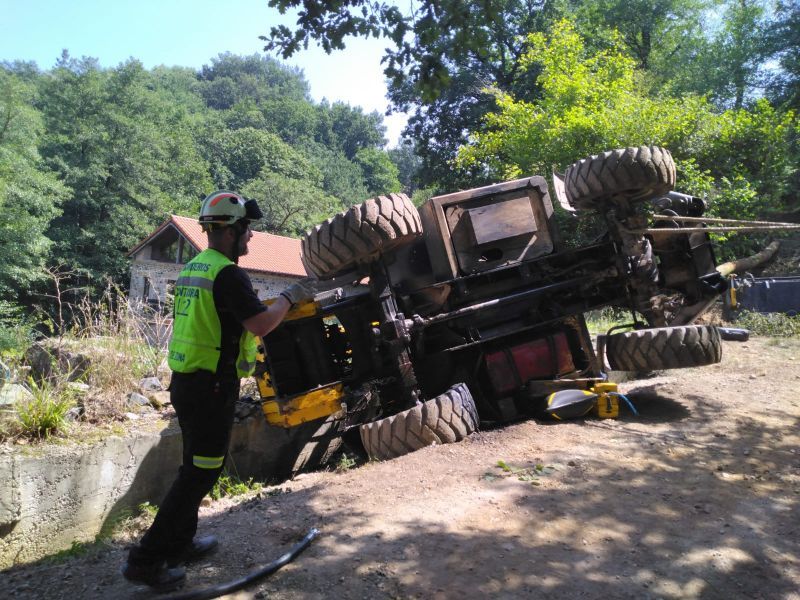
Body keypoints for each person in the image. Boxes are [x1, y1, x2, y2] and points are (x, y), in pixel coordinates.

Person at [122, 190, 316, 590]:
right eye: (247, 230)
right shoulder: (228, 274)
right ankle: (146, 560)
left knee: (195, 467)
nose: (250, 239)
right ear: (230, 231)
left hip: (188, 383)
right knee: (199, 475)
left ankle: (180, 543)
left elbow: (225, 316)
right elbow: (260, 324)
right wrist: (288, 296)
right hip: (210, 387)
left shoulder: (197, 266)